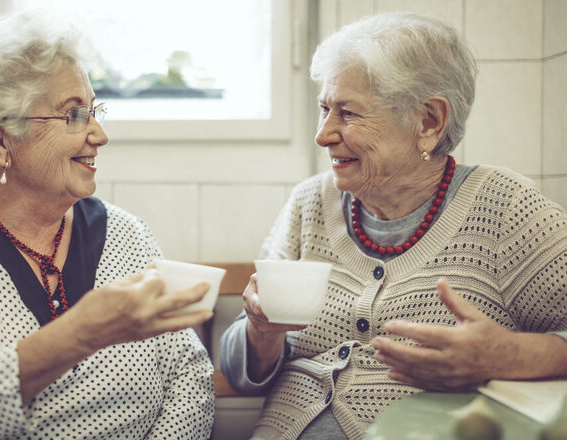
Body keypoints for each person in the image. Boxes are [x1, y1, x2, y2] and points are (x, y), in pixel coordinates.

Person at [221, 11, 567, 440]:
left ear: (428, 122)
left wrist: (513, 355)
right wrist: (261, 330)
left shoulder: (503, 208)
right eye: (323, 108)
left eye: (347, 113)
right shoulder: (310, 202)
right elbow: (237, 371)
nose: (323, 134)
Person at [0, 11, 214, 440]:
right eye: (74, 115)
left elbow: (190, 377)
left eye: (93, 110)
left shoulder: (127, 234)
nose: (99, 134)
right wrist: (78, 333)